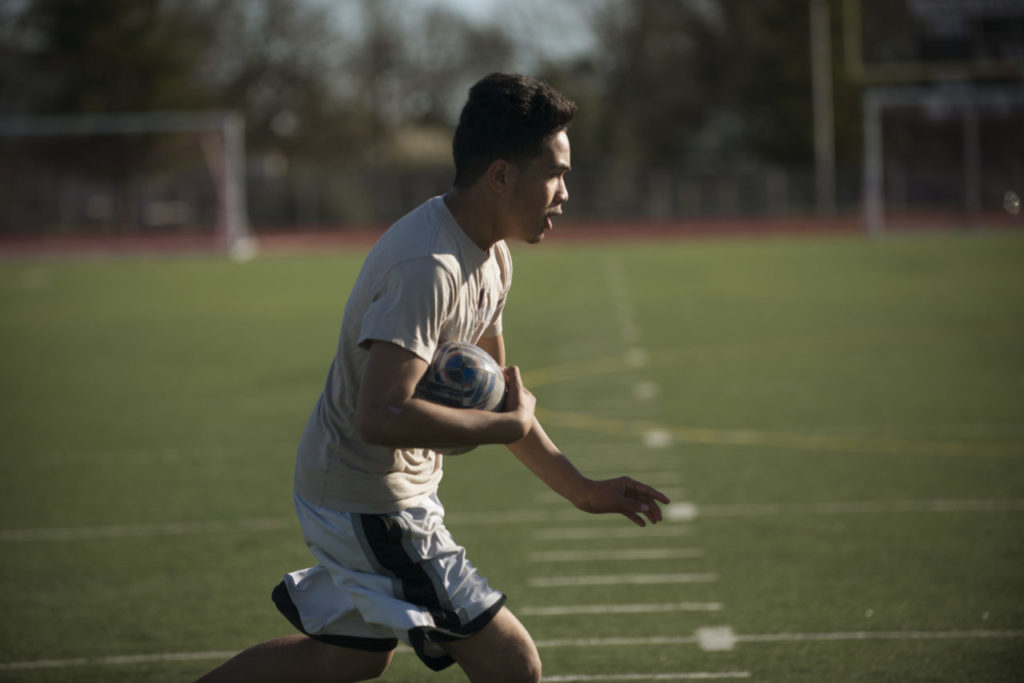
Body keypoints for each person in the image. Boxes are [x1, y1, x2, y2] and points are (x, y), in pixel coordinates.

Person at [197, 72, 669, 683]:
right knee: (513, 664)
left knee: (347, 658)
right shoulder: (430, 266)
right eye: (555, 173)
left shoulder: (492, 253)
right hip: (368, 499)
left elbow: (503, 399)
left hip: (379, 488)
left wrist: (580, 488)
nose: (564, 192)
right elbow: (380, 414)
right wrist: (502, 427)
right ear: (500, 175)